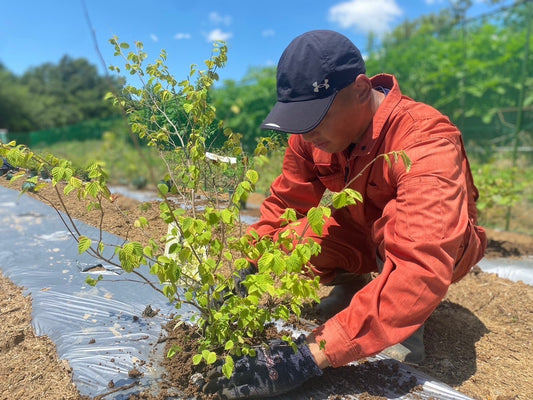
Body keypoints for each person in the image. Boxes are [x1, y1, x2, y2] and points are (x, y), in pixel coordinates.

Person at [203, 29, 487, 399]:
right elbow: (286, 206)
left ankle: (403, 323)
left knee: (398, 229)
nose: (306, 133)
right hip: (362, 230)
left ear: (360, 89)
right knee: (298, 237)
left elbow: (422, 260)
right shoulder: (310, 138)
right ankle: (355, 285)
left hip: (441, 247)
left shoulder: (424, 139)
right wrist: (248, 268)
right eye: (298, 119)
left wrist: (308, 356)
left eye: (316, 117)